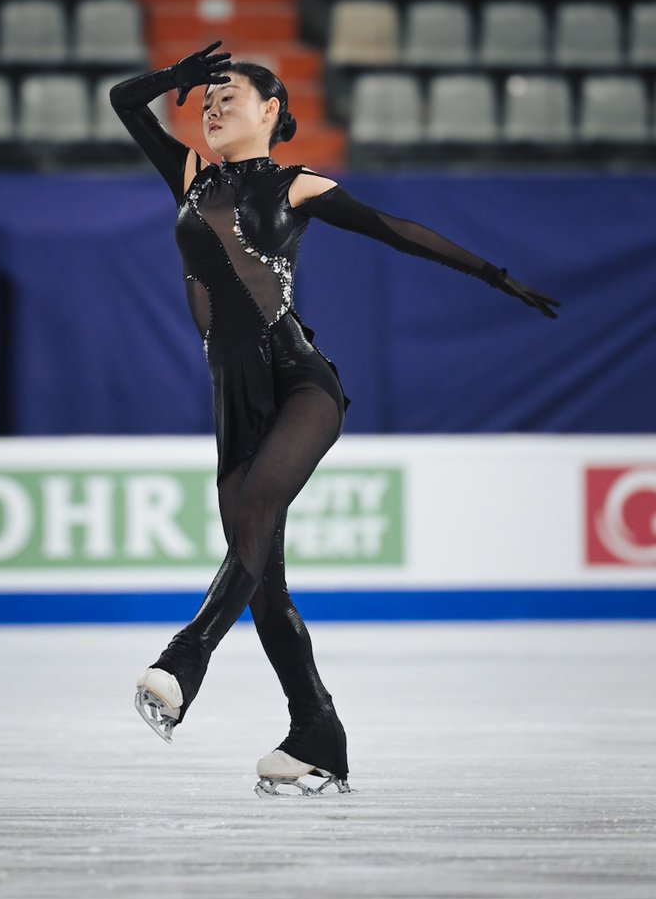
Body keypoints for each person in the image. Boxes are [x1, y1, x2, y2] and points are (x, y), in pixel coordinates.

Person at [109, 41, 559, 797]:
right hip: (232, 394)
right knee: (263, 582)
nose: (213, 109)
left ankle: (185, 658)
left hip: (300, 383)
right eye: (206, 103)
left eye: (230, 99)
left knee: (254, 513)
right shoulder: (189, 177)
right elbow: (126, 101)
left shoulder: (296, 185)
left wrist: (494, 273)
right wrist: (174, 80)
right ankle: (316, 734)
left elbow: (397, 230)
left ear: (272, 111)